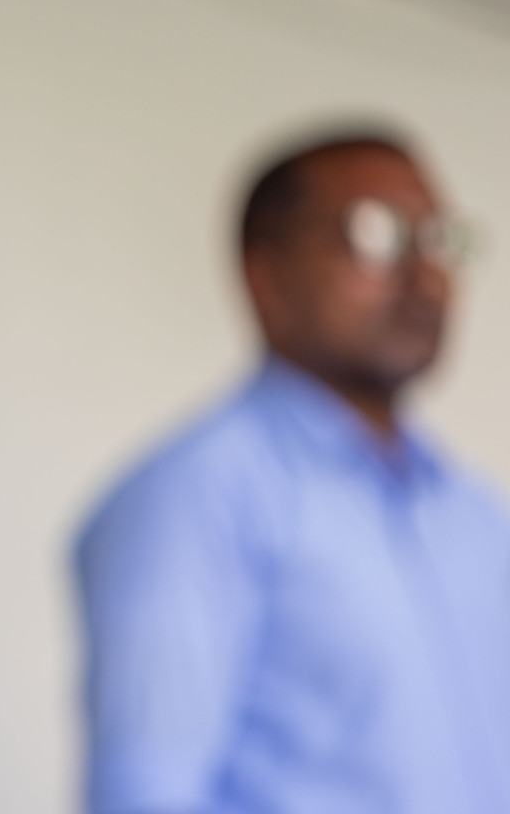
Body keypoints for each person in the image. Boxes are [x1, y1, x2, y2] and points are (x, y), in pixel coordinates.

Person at [76, 127, 510, 814]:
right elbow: (150, 796)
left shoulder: (474, 512)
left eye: (438, 240)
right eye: (379, 234)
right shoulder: (195, 500)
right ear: (266, 272)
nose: (426, 275)